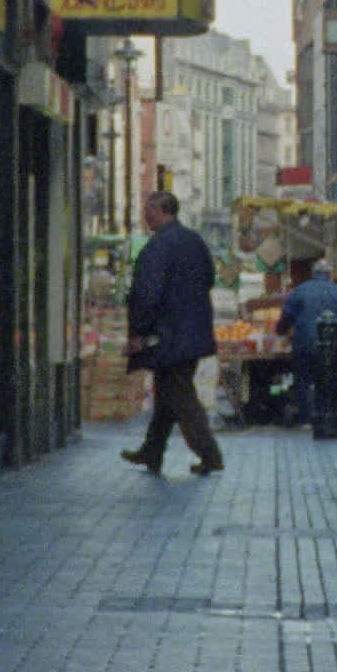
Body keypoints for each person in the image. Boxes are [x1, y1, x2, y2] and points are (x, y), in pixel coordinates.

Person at [120, 191, 224, 475]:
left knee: (179, 393)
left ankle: (210, 454)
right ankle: (151, 452)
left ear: (164, 211)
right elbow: (209, 278)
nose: (145, 214)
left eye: (150, 208)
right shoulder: (194, 241)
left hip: (171, 335)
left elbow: (146, 293)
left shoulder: (158, 247)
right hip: (192, 331)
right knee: (166, 391)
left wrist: (138, 332)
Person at [275, 261, 337, 427]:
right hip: (329, 346)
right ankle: (327, 417)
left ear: (313, 273)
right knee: (328, 379)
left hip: (303, 344)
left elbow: (284, 321)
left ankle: (306, 420)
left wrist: (280, 332)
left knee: (303, 380)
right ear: (330, 274)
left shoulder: (299, 291)